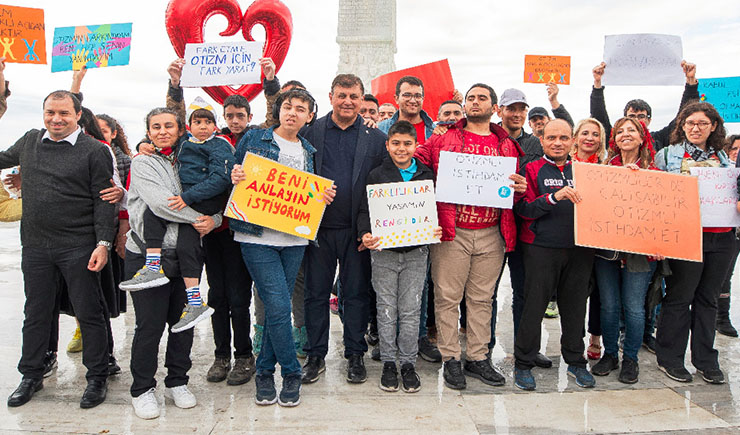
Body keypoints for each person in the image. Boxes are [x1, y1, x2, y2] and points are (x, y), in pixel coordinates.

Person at [0, 90, 115, 408]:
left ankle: (96, 378)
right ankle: (32, 375)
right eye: (50, 112)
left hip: (78, 246)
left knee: (90, 313)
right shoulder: (29, 141)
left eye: (64, 113)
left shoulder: (94, 150)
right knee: (35, 314)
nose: (56, 119)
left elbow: (103, 201)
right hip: (35, 246)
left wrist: (103, 244)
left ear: (78, 115)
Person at [415, 83, 525, 390]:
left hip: (492, 232)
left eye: (482, 98)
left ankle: (478, 358)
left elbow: (515, 190)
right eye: (471, 98)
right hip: (454, 231)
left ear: (495, 108)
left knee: (482, 299)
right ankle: (451, 358)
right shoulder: (443, 138)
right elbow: (413, 162)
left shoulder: (507, 145)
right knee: (447, 297)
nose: (475, 102)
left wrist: (520, 189)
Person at [231, 88, 335, 406]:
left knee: (277, 309)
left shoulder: (308, 150)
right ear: (278, 111)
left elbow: (309, 192)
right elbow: (235, 172)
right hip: (256, 237)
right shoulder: (254, 139)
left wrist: (322, 197)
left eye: (300, 109)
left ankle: (264, 371)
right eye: (287, 106)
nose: (292, 112)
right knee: (278, 307)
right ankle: (290, 373)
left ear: (309, 116)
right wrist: (234, 174)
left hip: (294, 240)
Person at [126, 107, 220, 419]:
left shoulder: (189, 157)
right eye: (156, 127)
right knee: (149, 326)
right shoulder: (143, 161)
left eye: (169, 126)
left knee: (184, 323)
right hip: (147, 255)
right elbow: (161, 204)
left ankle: (177, 381)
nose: (163, 131)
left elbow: (213, 194)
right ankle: (142, 388)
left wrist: (216, 217)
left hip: (185, 255)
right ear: (148, 132)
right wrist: (202, 219)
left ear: (180, 130)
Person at [119, 88, 235, 335]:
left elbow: (219, 180)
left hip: (202, 201)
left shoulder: (218, 145)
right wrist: (145, 144)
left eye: (208, 122)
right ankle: (153, 267)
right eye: (197, 122)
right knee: (155, 215)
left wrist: (212, 218)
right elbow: (160, 203)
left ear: (216, 125)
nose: (202, 126)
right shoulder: (176, 147)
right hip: (188, 210)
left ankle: (194, 303)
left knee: (187, 246)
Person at [300, 74, 387, 385]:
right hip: (317, 230)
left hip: (357, 233)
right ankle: (314, 355)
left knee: (355, 295)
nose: (348, 101)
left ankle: (355, 354)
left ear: (362, 100)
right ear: (331, 96)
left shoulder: (376, 139)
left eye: (353, 96)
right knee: (315, 294)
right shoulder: (309, 133)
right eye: (341, 95)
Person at [357, 120, 442, 393]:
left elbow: (434, 209)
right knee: (386, 308)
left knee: (410, 309)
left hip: (416, 253)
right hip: (384, 252)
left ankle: (408, 363)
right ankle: (389, 363)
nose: (401, 148)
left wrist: (436, 225)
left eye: (407, 143)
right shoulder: (376, 175)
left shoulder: (426, 175)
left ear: (416, 146)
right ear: (387, 145)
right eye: (396, 143)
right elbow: (364, 211)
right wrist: (364, 234)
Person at [513, 119, 596, 391]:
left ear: (572, 140)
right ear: (542, 140)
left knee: (574, 308)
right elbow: (523, 210)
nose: (557, 143)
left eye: (563, 137)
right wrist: (554, 197)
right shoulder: (531, 168)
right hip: (541, 249)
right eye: (551, 138)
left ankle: (575, 361)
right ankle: (523, 362)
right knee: (534, 306)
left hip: (580, 249)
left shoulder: (585, 170)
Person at [654, 102, 733, 384]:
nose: (695, 128)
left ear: (713, 126)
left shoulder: (726, 159)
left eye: (702, 123)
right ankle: (670, 359)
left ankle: (705, 360)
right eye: (690, 123)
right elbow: (655, 195)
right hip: (685, 235)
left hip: (722, 237)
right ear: (682, 126)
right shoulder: (666, 156)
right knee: (679, 296)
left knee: (708, 299)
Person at [591, 117, 660, 384]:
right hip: (607, 252)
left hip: (640, 253)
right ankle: (610, 354)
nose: (625, 134)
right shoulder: (603, 171)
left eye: (632, 130)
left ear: (642, 138)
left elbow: (663, 215)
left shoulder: (655, 173)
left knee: (633, 307)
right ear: (614, 140)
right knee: (608, 306)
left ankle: (630, 357)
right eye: (620, 131)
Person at [590, 60, 699, 151]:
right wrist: (597, 84)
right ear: (624, 120)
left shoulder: (659, 140)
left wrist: (691, 83)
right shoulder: (615, 139)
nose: (636, 120)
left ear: (649, 120)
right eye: (631, 116)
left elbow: (685, 115)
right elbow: (599, 117)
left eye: (641, 116)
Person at [569, 118, 607, 361]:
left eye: (595, 134)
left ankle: (595, 337)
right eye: (585, 133)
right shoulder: (565, 165)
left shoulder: (609, 167)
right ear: (576, 137)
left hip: (599, 239)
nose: (590, 138)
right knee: (575, 293)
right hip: (570, 238)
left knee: (600, 292)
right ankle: (573, 340)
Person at [717, 134, 740, 337]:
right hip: (727, 230)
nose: (737, 152)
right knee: (724, 276)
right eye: (734, 148)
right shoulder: (722, 170)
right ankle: (721, 317)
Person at [378, 76, 434, 142]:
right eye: (407, 95)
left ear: (423, 99)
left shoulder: (436, 130)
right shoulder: (381, 128)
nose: (413, 100)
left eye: (418, 96)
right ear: (396, 98)